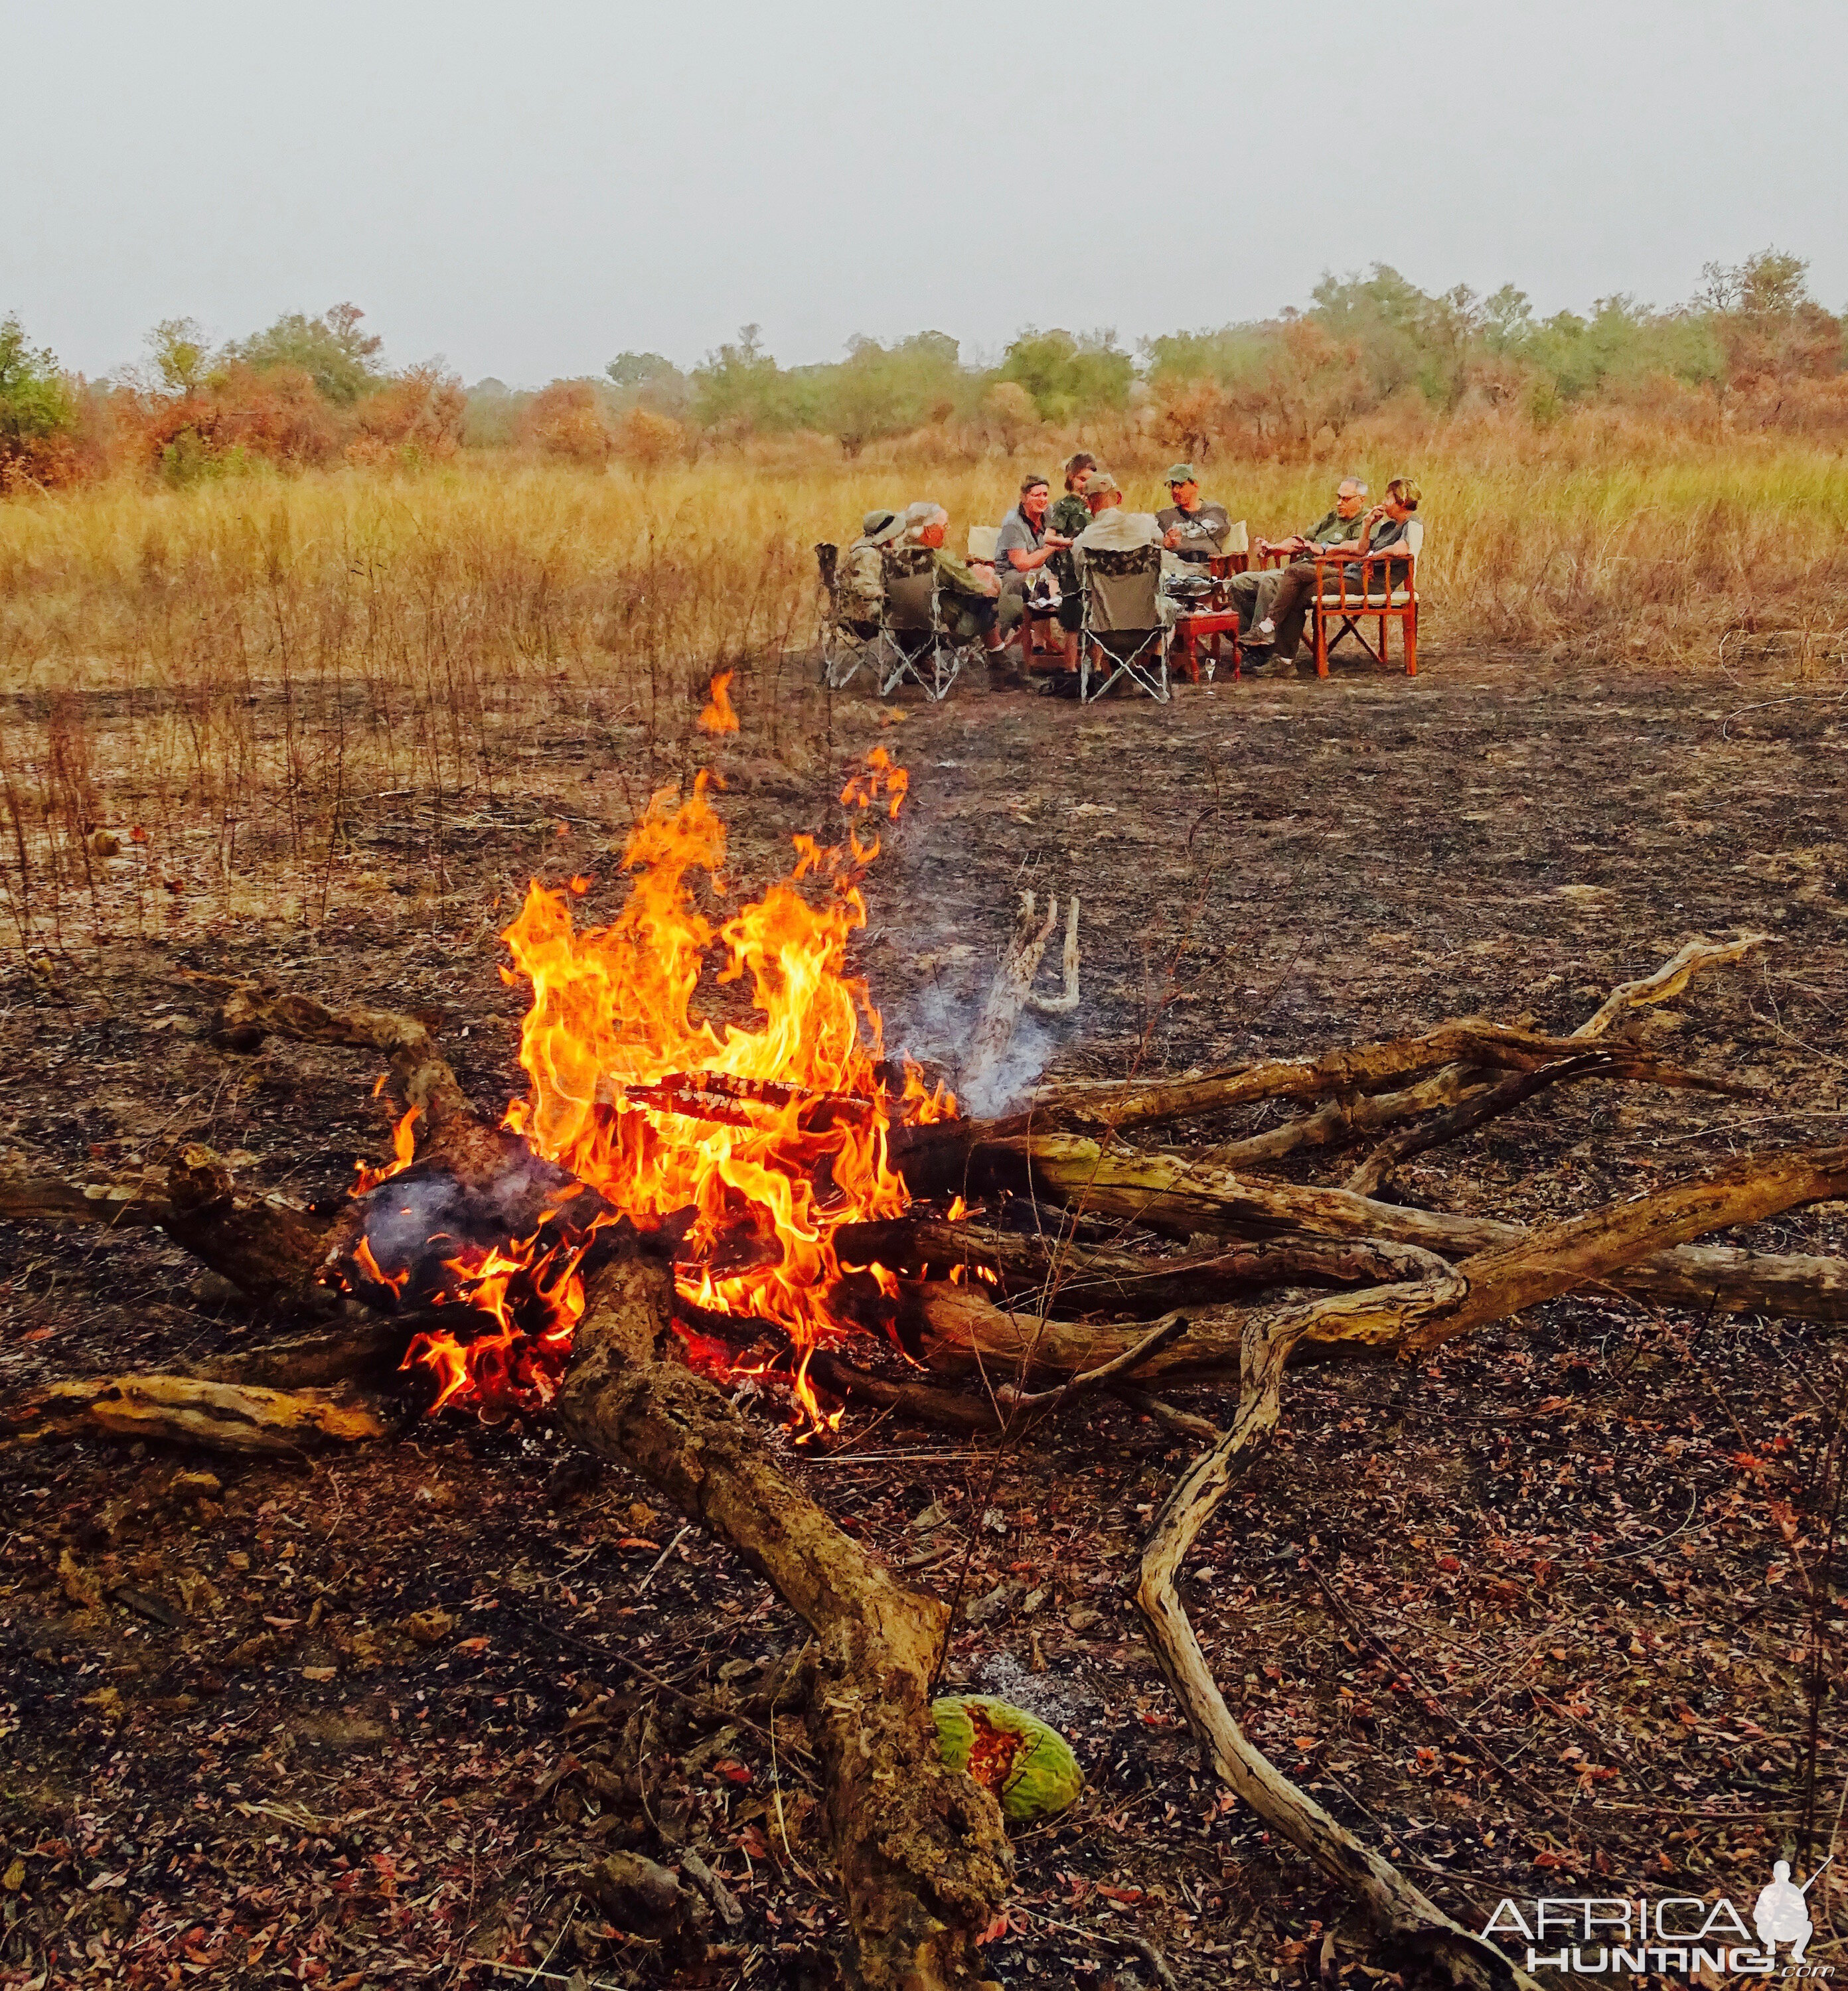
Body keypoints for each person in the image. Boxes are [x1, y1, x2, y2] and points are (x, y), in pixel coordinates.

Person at [1251, 477, 1419, 669]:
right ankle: (1280, 650)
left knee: (1297, 580)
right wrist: (1366, 526)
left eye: (1388, 498)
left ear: (1403, 501)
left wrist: (1372, 558)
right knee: (1298, 586)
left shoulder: (1413, 524)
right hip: (1355, 576)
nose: (1383, 503)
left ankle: (1274, 638)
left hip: (1373, 584)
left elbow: (1401, 550)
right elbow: (1362, 550)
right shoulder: (1389, 526)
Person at [1227, 477, 1367, 655]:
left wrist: (1324, 550)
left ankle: (1264, 635)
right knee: (1239, 582)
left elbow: (1360, 549)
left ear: (1361, 500)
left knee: (1270, 582)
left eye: (1346, 499)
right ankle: (1253, 648)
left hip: (1331, 572)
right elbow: (1302, 540)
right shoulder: (1333, 517)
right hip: (1300, 568)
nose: (1339, 503)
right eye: (1338, 497)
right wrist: (1276, 547)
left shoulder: (1366, 522)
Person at [897, 500, 1014, 678]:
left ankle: (911, 662)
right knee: (988, 604)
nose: (948, 529)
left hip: (899, 630)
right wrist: (986, 573)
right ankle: (999, 662)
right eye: (944, 525)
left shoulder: (894, 554)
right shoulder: (935, 558)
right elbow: (975, 587)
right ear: (929, 530)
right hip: (939, 631)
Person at [994, 473, 1073, 652]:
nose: (1042, 499)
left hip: (1040, 572)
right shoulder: (1013, 524)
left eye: (1045, 494)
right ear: (1024, 498)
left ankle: (1047, 642)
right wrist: (1052, 547)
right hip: (1011, 576)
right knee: (1040, 579)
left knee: (1053, 578)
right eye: (1036, 495)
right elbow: (1022, 564)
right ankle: (1041, 640)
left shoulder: (1049, 514)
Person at [1045, 454, 1097, 675]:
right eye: (1081, 479)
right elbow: (1048, 537)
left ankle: (1096, 669)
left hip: (1095, 566)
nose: (1085, 484)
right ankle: (1070, 669)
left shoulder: (1098, 502)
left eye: (1090, 479)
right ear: (1072, 478)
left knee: (1097, 619)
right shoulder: (1064, 505)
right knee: (1073, 623)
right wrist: (1070, 543)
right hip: (1071, 568)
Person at [834, 507, 905, 633]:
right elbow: (864, 588)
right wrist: (888, 594)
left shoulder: (864, 550)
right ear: (888, 537)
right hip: (862, 617)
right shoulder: (869, 554)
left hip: (850, 609)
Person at [1155, 465, 1232, 564]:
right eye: (1173, 486)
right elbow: (1155, 548)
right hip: (1180, 569)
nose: (1175, 491)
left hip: (1212, 566)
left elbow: (1232, 542)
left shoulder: (1217, 511)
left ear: (1195, 485)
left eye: (1180, 485)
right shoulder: (1164, 517)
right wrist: (1166, 544)